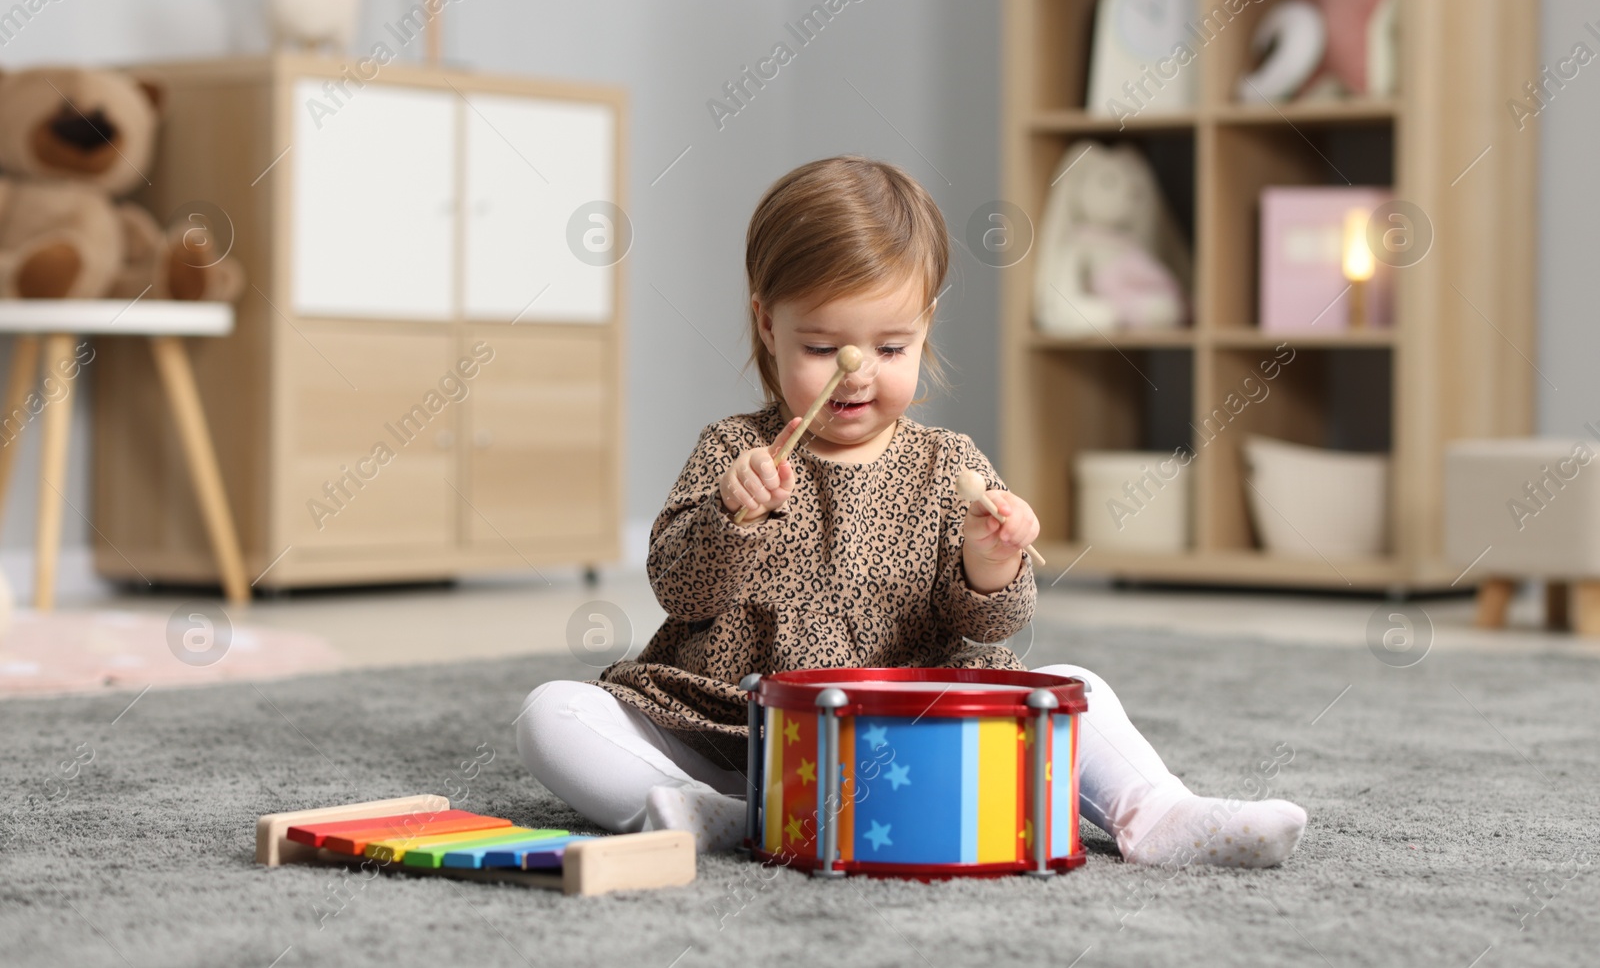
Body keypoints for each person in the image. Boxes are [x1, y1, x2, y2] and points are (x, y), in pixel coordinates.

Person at [516, 155, 1306, 867]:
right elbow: (680, 591)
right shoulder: (734, 448)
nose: (857, 375)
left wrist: (990, 563)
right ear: (767, 322)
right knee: (553, 713)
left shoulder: (949, 463)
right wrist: (734, 517)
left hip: (908, 736)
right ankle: (715, 812)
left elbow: (990, 625)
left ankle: (1160, 813)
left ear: (926, 324)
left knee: (1075, 685)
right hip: (737, 729)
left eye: (891, 349)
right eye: (824, 347)